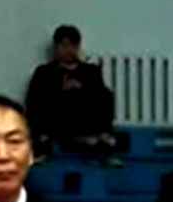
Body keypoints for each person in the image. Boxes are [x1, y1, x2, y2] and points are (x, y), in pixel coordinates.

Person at [25, 25, 117, 160]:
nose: (68, 50)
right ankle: (45, 140)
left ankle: (102, 138)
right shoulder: (44, 72)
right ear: (56, 47)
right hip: (56, 119)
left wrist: (81, 90)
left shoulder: (90, 71)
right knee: (41, 100)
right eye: (63, 46)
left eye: (72, 45)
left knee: (106, 95)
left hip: (83, 118)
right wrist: (61, 90)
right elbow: (34, 100)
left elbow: (99, 97)